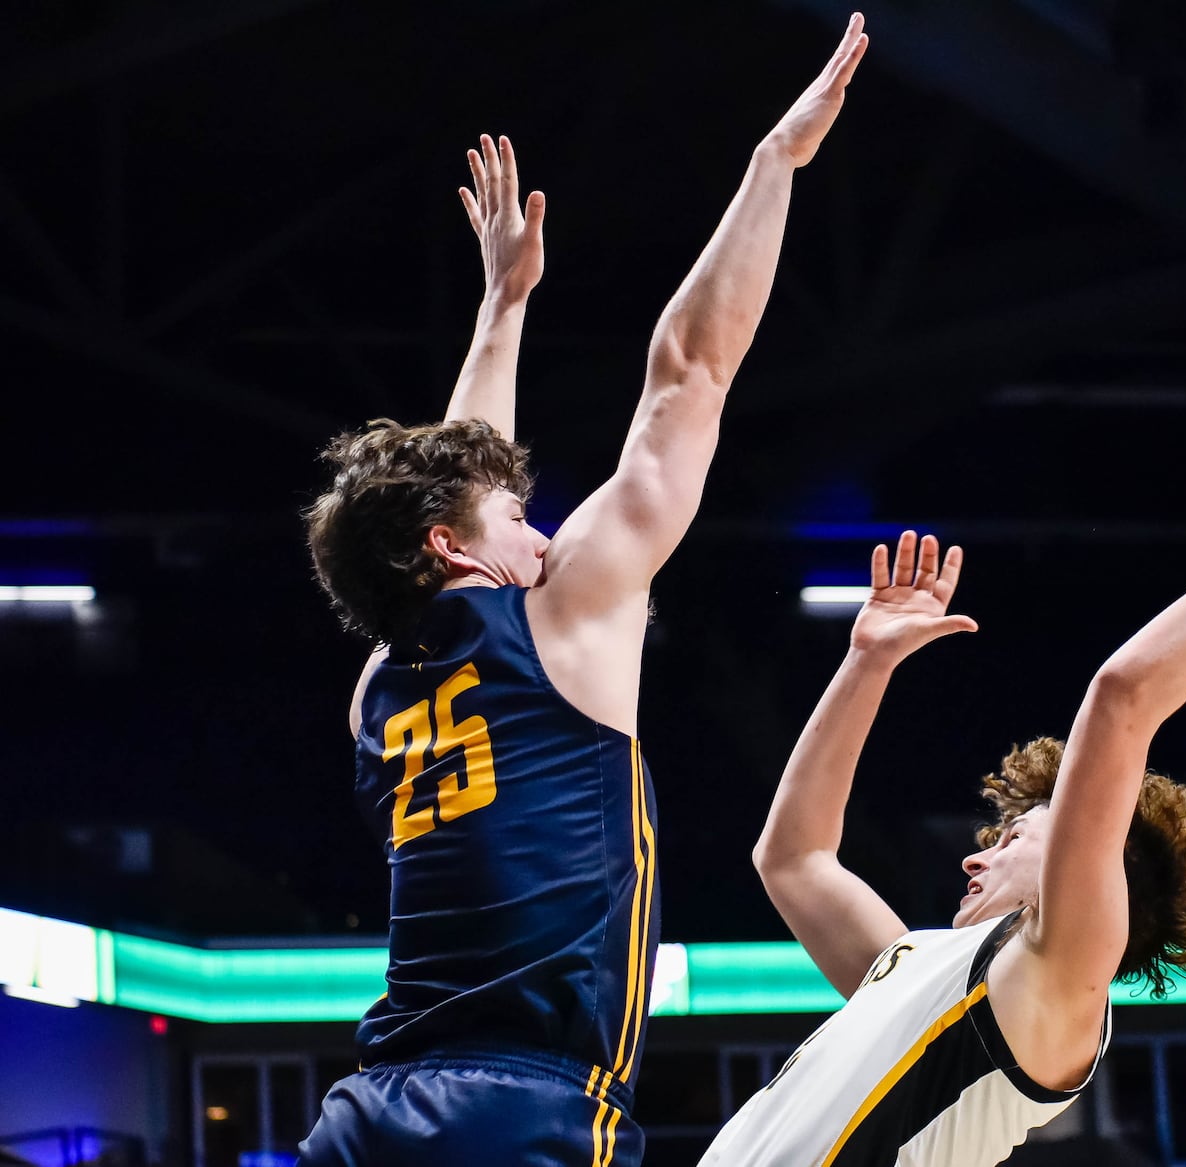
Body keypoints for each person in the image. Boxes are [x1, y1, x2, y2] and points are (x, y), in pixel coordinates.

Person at [295, 15, 870, 1166]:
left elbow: (460, 484)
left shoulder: (373, 690)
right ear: (453, 552)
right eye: (519, 518)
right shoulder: (564, 613)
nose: (544, 528)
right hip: (525, 1107)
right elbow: (689, 376)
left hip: (367, 1116)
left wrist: (500, 310)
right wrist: (775, 167)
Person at [699, 476, 1186, 1166]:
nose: (974, 858)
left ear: (1095, 872)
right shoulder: (915, 966)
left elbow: (1122, 694)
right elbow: (793, 856)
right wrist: (866, 663)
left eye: (1014, 837)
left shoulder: (1056, 978)